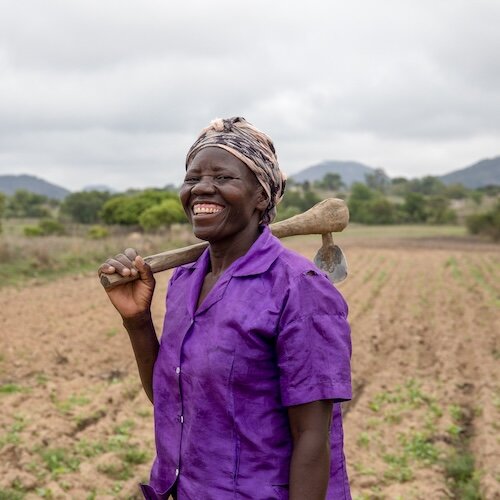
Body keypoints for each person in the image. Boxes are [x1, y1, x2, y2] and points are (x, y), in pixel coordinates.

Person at [99, 117, 352, 500]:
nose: (202, 187)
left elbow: (312, 438)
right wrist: (136, 321)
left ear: (261, 197)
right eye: (192, 177)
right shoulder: (185, 281)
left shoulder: (299, 288)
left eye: (223, 178)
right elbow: (175, 398)